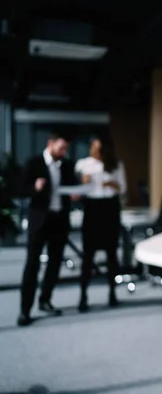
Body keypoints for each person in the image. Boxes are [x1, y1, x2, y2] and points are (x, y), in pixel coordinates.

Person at [17, 131, 78, 327]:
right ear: (50, 144)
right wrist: (35, 187)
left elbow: (72, 187)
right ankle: (24, 310)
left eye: (66, 149)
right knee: (32, 264)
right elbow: (20, 189)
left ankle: (45, 300)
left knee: (54, 263)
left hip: (59, 220)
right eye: (61, 148)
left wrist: (76, 193)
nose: (63, 152)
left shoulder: (67, 165)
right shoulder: (34, 162)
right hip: (40, 221)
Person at [75, 136, 127, 311]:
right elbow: (75, 188)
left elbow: (123, 188)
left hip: (110, 208)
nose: (98, 152)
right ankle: (83, 295)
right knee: (88, 255)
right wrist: (83, 181)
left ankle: (112, 293)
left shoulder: (115, 164)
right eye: (95, 148)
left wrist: (111, 183)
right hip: (92, 209)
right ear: (90, 149)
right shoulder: (83, 164)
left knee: (112, 253)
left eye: (101, 149)